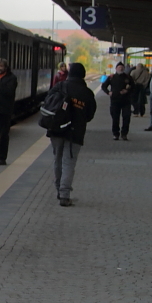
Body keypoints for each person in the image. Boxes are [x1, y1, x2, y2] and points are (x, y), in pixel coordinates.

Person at [48, 62, 98, 207]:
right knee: (68, 162)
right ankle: (64, 194)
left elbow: (48, 104)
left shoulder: (60, 86)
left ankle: (59, 189)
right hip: (75, 132)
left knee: (57, 159)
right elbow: (90, 115)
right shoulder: (87, 93)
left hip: (56, 130)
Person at [102, 62, 133, 140]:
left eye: (122, 67)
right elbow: (104, 86)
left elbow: (133, 87)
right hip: (115, 100)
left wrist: (127, 91)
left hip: (126, 101)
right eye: (119, 67)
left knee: (126, 117)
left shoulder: (128, 77)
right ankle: (116, 133)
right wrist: (108, 92)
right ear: (116, 69)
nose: (121, 68)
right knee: (115, 118)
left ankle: (124, 133)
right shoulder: (111, 77)